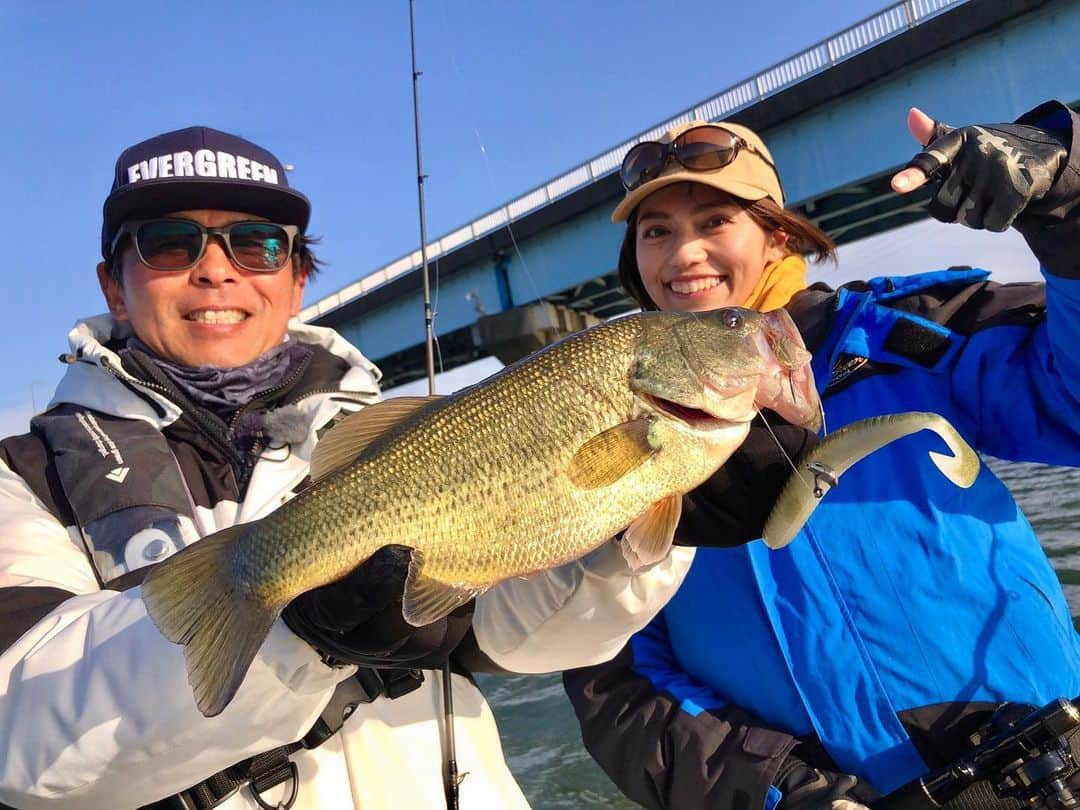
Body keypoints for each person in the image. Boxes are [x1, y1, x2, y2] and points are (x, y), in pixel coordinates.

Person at [0, 126, 695, 810]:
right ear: (113, 286)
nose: (216, 269)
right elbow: (17, 746)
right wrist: (296, 632)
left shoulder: (382, 430)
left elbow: (521, 640)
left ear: (296, 280)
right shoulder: (28, 474)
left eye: (257, 244)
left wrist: (638, 541)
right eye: (169, 243)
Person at [563, 100, 1080, 809]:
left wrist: (1070, 213)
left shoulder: (903, 332)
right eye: (657, 232)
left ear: (777, 238)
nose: (683, 254)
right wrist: (779, 791)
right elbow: (611, 676)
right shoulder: (604, 426)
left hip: (1049, 769)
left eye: (715, 222)